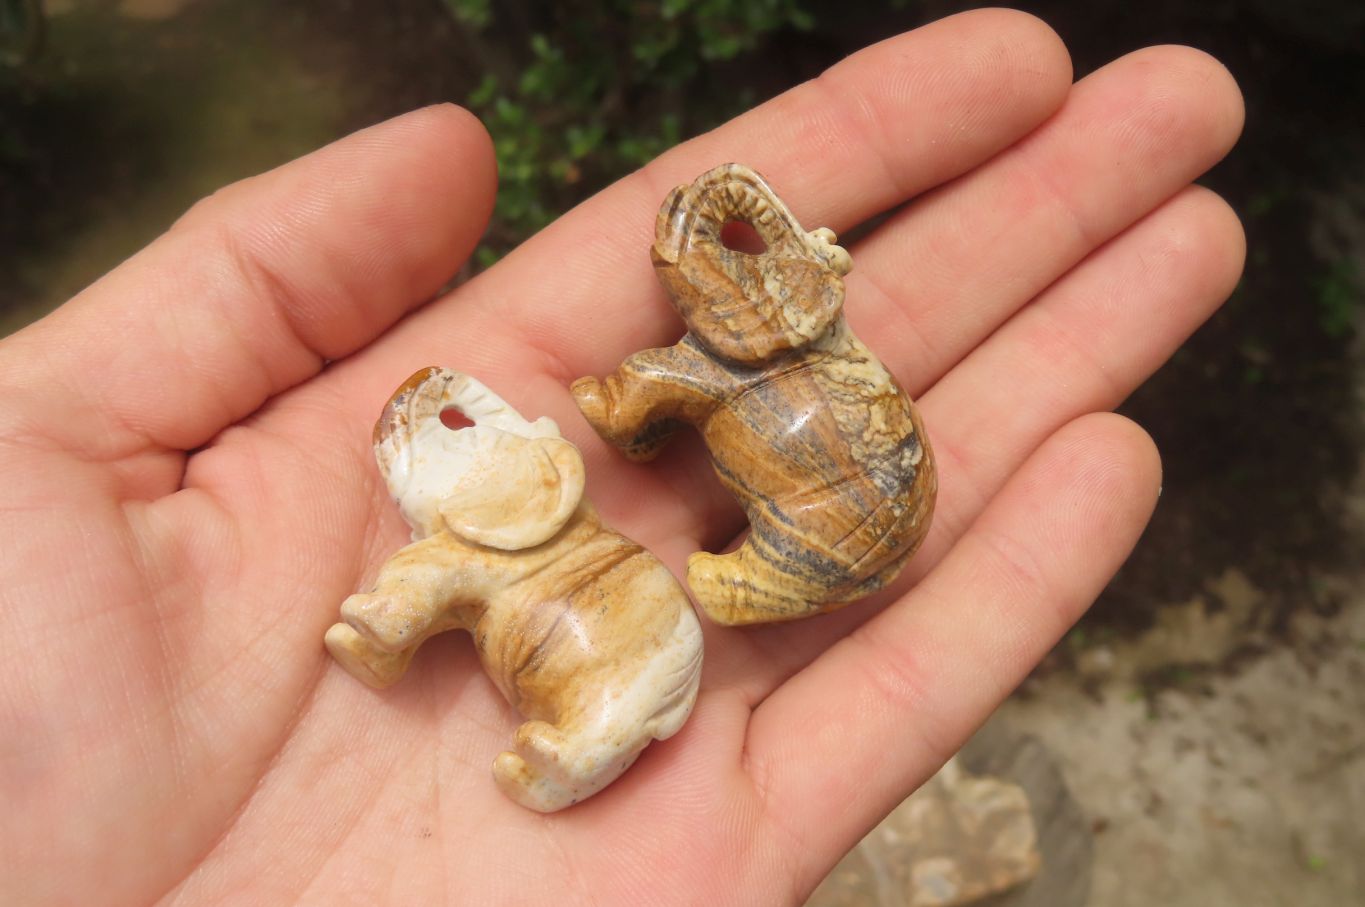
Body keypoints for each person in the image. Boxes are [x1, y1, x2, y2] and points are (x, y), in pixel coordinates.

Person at [0, 10, 1244, 905]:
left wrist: (393, 611)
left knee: (702, 595)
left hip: (776, 565)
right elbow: (442, 569)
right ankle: (597, 727)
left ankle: (613, 712)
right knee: (669, 623)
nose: (528, 438)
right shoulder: (715, 395)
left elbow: (603, 424)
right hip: (675, 613)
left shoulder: (702, 378)